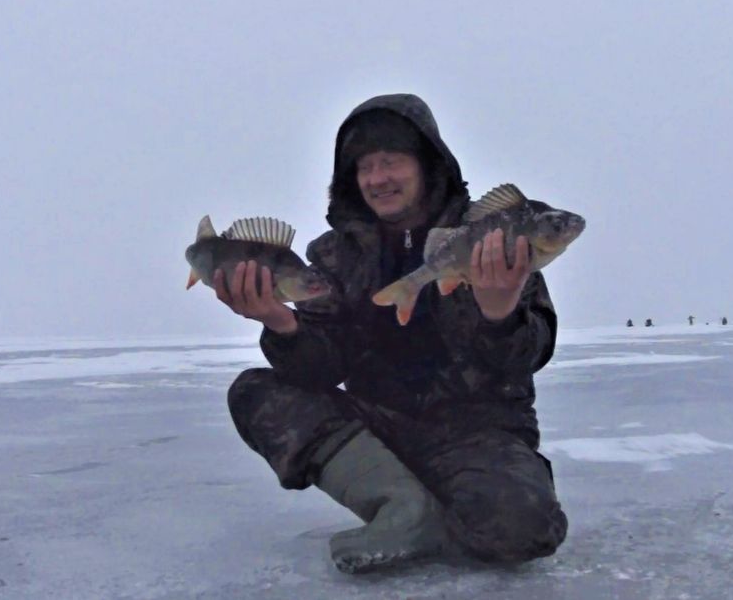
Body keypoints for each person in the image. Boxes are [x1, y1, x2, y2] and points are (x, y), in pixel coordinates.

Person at [216, 94, 567, 573]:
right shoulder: (334, 256)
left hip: (476, 433)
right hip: (378, 427)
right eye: (364, 167)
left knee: (523, 529)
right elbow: (322, 367)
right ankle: (402, 507)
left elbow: (530, 354)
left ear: (426, 165)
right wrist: (280, 322)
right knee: (256, 391)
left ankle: (455, 504)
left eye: (390, 162)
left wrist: (499, 311)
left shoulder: (490, 236)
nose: (377, 178)